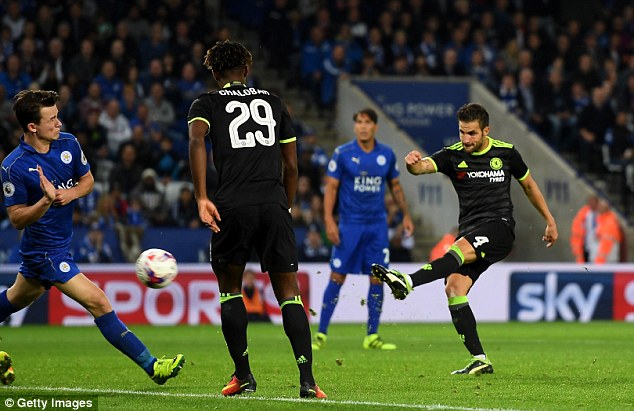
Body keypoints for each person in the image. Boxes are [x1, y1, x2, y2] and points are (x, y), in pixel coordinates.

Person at [0, 90, 184, 385]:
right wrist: (45, 201)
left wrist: (66, 194)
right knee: (99, 302)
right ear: (32, 126)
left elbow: (87, 180)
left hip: (59, 246)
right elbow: (16, 217)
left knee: (12, 299)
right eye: (52, 118)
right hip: (44, 252)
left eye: (57, 115)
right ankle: (153, 367)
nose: (59, 122)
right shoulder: (14, 166)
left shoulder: (68, 144)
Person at [372, 103, 558, 375]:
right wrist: (412, 164)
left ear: (486, 130)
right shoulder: (452, 155)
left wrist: (549, 219)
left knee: (458, 249)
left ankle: (409, 281)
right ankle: (480, 358)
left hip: (499, 228)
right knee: (454, 288)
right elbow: (423, 167)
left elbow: (528, 185)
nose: (466, 139)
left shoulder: (506, 153)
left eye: (472, 133)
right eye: (462, 132)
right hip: (470, 230)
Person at [187, 40, 326, 399]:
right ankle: (308, 381)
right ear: (246, 70)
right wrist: (286, 206)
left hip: (232, 203)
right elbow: (292, 165)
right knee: (289, 293)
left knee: (230, 288)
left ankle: (244, 375)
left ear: (215, 73)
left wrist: (202, 196)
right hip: (273, 202)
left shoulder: (206, 103)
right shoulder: (275, 103)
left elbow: (197, 140)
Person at [312, 108, 414, 351]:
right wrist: (328, 220)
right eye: (358, 122)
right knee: (337, 276)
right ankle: (321, 334)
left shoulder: (386, 154)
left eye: (367, 122)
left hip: (377, 226)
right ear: (355, 126)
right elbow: (332, 188)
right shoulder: (343, 153)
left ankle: (372, 335)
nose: (363, 126)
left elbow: (396, 187)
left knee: (378, 278)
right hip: (350, 225)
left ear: (375, 126)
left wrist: (407, 215)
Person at [570, 195, 599, 263]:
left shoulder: (601, 214)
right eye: (590, 202)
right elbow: (577, 230)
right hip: (586, 244)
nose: (592, 204)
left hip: (598, 245)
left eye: (594, 202)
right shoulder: (584, 214)